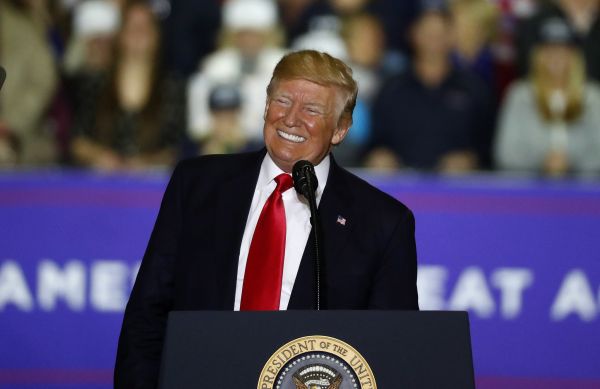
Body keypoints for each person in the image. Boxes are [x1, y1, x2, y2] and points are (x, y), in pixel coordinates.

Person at [114, 50, 419, 389]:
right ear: (265, 106)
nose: (290, 118)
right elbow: (147, 314)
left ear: (340, 129)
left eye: (312, 109)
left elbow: (392, 352)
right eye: (282, 101)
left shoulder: (383, 223)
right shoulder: (197, 185)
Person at [366, 2, 494, 172]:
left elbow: (489, 148)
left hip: (459, 192)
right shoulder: (391, 89)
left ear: (452, 36)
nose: (434, 39)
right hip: (399, 189)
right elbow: (374, 143)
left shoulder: (475, 89)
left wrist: (471, 160)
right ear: (412, 34)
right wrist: (379, 156)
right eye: (427, 32)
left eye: (440, 33)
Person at [495, 17, 600, 176]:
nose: (556, 57)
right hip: (532, 191)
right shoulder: (520, 95)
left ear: (575, 57)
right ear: (538, 56)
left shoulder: (591, 96)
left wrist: (571, 162)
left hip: (583, 192)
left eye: (563, 51)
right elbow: (506, 152)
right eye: (549, 51)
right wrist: (543, 161)